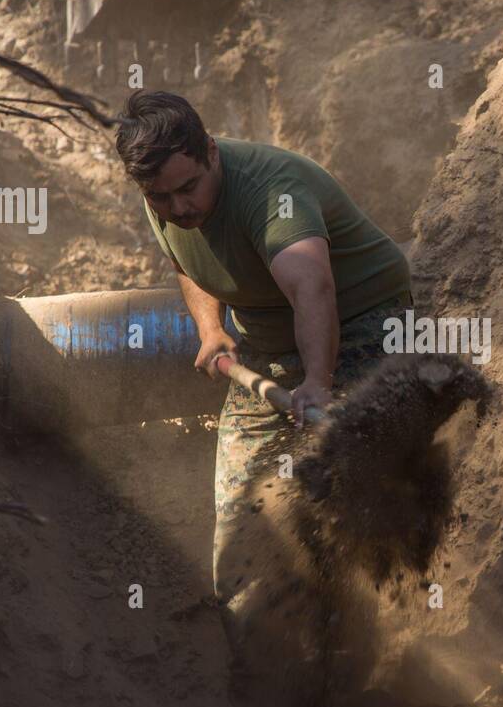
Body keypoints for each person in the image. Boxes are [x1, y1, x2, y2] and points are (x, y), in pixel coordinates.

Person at [113, 91, 412, 602]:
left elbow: (312, 288)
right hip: (265, 339)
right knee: (241, 506)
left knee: (346, 481)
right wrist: (211, 328)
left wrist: (318, 383)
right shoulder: (162, 193)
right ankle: (250, 620)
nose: (179, 208)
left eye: (188, 189)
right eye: (161, 198)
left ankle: (377, 601)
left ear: (210, 151)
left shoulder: (272, 190)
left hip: (362, 323)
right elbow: (188, 262)